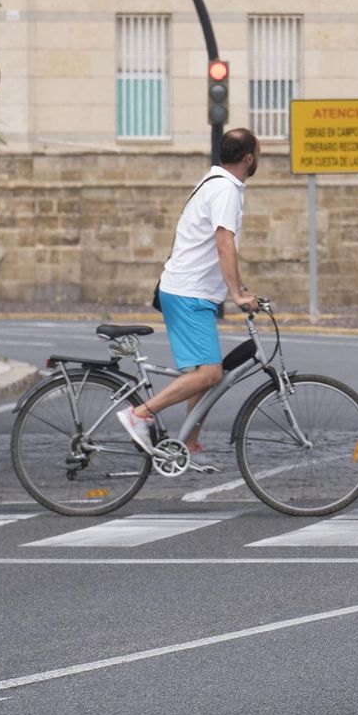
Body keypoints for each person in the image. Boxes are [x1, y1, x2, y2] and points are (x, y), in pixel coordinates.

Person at [118, 129, 262, 469]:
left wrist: (238, 288)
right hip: (189, 292)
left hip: (192, 290)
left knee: (204, 369)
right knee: (210, 373)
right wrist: (238, 294)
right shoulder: (225, 189)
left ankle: (188, 443)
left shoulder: (215, 183)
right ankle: (140, 414)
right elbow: (223, 243)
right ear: (249, 158)